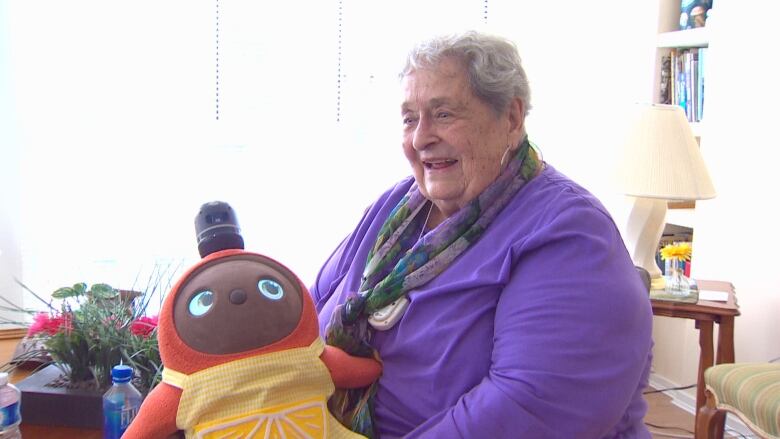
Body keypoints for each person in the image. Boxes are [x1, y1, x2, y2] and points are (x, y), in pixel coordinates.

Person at [311, 31, 653, 438]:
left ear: (510, 118)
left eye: (443, 114)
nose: (421, 137)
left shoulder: (569, 234)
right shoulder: (395, 208)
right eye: (409, 118)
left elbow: (529, 409)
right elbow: (306, 310)